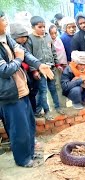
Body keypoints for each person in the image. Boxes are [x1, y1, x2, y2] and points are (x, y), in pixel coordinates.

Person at [0, 10, 54, 167]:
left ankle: (30, 152)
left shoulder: (6, 38)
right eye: (3, 19)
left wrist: (39, 64)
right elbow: (4, 71)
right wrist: (18, 59)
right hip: (9, 94)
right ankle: (23, 159)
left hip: (21, 89)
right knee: (18, 129)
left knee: (29, 124)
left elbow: (23, 52)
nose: (6, 22)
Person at [25, 16, 65, 120]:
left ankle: (58, 107)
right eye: (40, 27)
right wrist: (34, 71)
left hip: (50, 68)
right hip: (39, 69)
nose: (43, 29)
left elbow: (53, 51)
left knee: (53, 89)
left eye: (44, 26)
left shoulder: (48, 37)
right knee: (43, 91)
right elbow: (28, 56)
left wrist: (57, 64)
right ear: (33, 27)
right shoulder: (30, 39)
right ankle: (46, 111)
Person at [10, 23, 39, 113]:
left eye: (25, 36)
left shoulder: (27, 44)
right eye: (21, 37)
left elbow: (30, 57)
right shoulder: (12, 47)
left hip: (31, 72)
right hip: (20, 76)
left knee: (33, 93)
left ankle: (34, 111)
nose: (24, 39)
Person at [49, 25, 68, 108]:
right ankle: (55, 106)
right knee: (55, 87)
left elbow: (62, 53)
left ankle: (63, 105)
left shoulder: (59, 40)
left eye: (55, 33)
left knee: (62, 85)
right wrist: (57, 64)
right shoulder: (47, 42)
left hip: (62, 67)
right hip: (53, 67)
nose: (53, 35)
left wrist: (64, 65)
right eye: (51, 33)